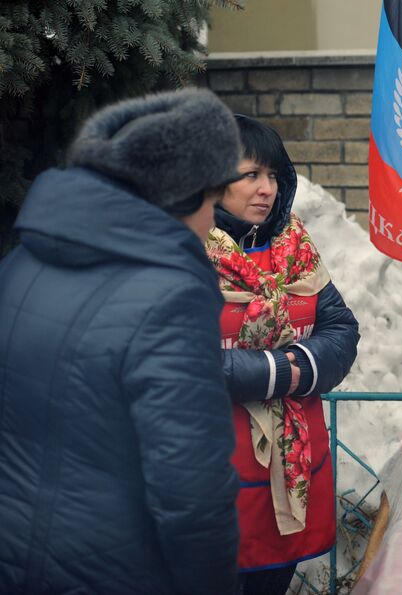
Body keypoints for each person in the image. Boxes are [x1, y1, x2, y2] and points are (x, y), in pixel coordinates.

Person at [0, 89, 243, 594]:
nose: (214, 220)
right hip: (118, 573)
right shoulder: (171, 298)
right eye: (212, 200)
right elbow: (192, 493)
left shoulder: (18, 264)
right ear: (179, 195)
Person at [206, 115, 359, 595]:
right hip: (215, 471)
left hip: (294, 469)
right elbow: (182, 357)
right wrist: (278, 369)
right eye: (250, 174)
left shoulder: (295, 248)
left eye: (273, 175)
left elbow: (341, 328)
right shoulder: (184, 251)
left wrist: (305, 364)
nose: (265, 188)